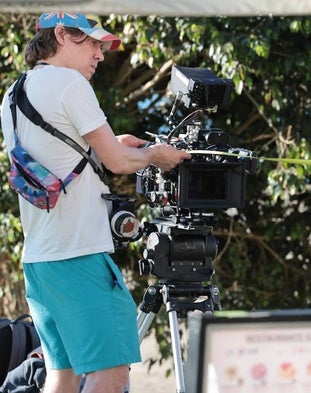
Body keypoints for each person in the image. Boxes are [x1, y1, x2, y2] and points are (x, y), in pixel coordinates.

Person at [0, 12, 191, 393]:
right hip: (80, 257)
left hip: (41, 262)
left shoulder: (14, 93)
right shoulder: (69, 83)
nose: (100, 55)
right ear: (60, 35)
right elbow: (118, 163)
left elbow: (57, 157)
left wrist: (109, 145)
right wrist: (157, 155)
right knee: (111, 373)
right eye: (92, 43)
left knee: (61, 375)